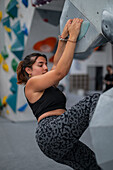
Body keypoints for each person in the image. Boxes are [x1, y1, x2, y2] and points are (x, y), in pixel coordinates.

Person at [17, 18, 101, 170]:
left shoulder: (47, 85)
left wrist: (63, 37)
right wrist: (73, 38)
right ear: (28, 70)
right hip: (50, 132)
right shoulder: (31, 84)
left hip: (54, 139)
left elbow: (56, 65)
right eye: (40, 65)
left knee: (91, 164)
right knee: (93, 100)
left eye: (45, 64)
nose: (45, 68)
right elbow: (60, 72)